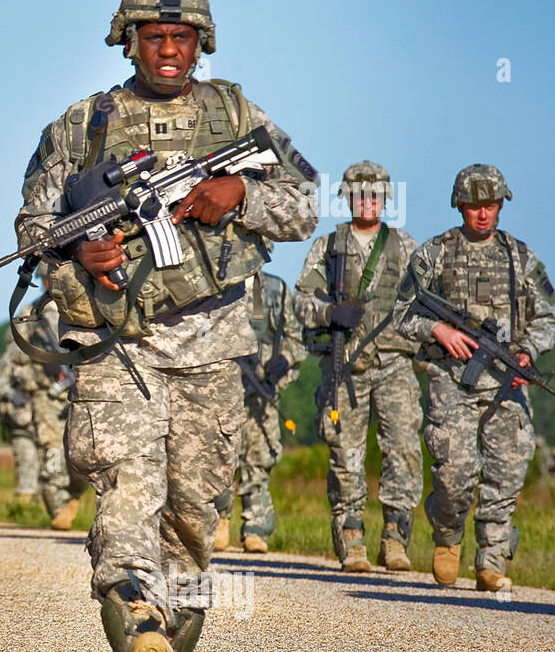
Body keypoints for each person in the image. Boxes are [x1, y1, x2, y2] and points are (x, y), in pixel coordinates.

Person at [14, 0, 316, 652]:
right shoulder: (82, 125)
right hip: (118, 344)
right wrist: (77, 250)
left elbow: (306, 201)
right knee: (126, 492)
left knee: (190, 516)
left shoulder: (240, 116)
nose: (169, 49)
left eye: (182, 36)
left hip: (214, 346)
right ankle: (139, 623)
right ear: (130, 39)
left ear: (201, 40)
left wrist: (241, 192)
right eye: (155, 35)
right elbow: (31, 226)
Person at [392, 164, 555, 592]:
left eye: (490, 205)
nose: (482, 214)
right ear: (459, 206)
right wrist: (438, 330)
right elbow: (400, 313)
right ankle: (447, 535)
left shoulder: (521, 257)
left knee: (506, 475)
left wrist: (528, 351)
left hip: (507, 383)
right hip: (452, 381)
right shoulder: (435, 253)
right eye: (473, 206)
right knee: (455, 474)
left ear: (501, 205)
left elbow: (547, 316)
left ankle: (492, 561)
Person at [293, 161, 423, 572]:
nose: (367, 203)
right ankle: (350, 536)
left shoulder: (405, 247)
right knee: (344, 452)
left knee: (402, 449)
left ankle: (396, 536)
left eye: (375, 195)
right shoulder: (329, 247)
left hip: (395, 364)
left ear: (386, 199)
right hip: (345, 365)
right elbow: (300, 301)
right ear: (346, 199)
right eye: (359, 195)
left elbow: (427, 305)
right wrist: (329, 312)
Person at [214, 271, 305, 553]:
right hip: (221, 389)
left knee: (260, 457)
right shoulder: (218, 284)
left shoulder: (276, 289)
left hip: (263, 390)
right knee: (219, 457)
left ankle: (256, 527)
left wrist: (284, 360)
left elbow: (296, 340)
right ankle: (218, 520)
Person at [8, 295, 88, 528]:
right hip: (46, 392)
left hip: (81, 388)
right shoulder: (31, 310)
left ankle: (73, 496)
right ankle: (58, 509)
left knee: (83, 452)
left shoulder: (83, 298)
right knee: (51, 447)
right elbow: (15, 353)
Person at [0, 308, 40, 505]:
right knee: (26, 458)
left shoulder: (50, 350)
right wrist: (13, 395)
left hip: (47, 413)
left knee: (52, 462)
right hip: (21, 416)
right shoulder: (13, 355)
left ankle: (50, 505)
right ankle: (24, 503)